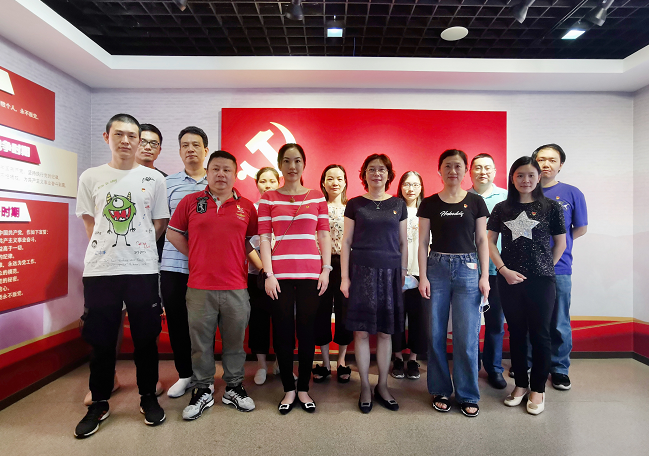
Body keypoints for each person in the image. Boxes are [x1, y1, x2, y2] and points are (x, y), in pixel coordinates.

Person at [74, 114, 170, 438]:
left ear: (139, 140)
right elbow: (90, 223)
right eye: (119, 134)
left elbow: (159, 222)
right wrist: (109, 252)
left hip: (142, 270)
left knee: (146, 338)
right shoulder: (91, 177)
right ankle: (99, 402)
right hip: (101, 271)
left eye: (132, 135)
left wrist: (138, 247)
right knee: (101, 340)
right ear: (107, 137)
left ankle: (147, 397)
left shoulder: (154, 179)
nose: (126, 141)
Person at [167, 150, 258, 420]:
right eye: (216, 169)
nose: (221, 174)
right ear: (207, 173)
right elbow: (172, 233)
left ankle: (233, 387)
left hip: (236, 287)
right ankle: (203, 388)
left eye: (227, 170)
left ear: (235, 174)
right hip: (199, 287)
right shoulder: (190, 201)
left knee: (235, 342)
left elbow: (250, 243)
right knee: (200, 343)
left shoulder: (247, 207)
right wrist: (196, 255)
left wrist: (263, 268)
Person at [487, 156, 566, 415]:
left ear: (539, 177)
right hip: (509, 279)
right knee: (517, 333)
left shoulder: (551, 207)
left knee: (541, 334)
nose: (525, 180)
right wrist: (503, 270)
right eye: (520, 175)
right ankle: (520, 385)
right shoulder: (502, 208)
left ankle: (538, 389)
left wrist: (545, 268)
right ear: (512, 178)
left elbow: (561, 243)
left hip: (542, 281)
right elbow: (489, 242)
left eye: (531, 175)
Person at [258, 143, 331, 415]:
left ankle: (303, 388)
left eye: (297, 160)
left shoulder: (317, 197)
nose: (292, 166)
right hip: (279, 275)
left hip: (311, 273)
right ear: (280, 165)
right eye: (287, 161)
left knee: (307, 331)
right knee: (283, 331)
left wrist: (326, 269)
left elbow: (323, 234)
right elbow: (265, 238)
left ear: (304, 164)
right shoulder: (269, 198)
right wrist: (268, 273)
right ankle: (288, 388)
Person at [418, 149, 490, 418]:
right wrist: (423, 276)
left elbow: (482, 240)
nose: (453, 171)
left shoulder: (476, 201)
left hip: (468, 268)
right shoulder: (429, 203)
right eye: (447, 166)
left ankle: (468, 393)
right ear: (439, 170)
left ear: (465, 170)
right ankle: (439, 390)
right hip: (436, 268)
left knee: (467, 335)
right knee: (435, 333)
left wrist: (484, 275)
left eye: (458, 166)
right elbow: (423, 243)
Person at [341, 154, 408, 414]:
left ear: (388, 174)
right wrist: (345, 277)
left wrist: (403, 271)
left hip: (390, 272)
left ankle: (382, 385)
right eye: (371, 169)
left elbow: (403, 242)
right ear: (364, 174)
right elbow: (346, 242)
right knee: (360, 332)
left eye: (381, 169)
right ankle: (365, 388)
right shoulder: (355, 204)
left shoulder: (398, 204)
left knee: (385, 332)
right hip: (361, 272)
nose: (376, 174)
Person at [532, 144, 587, 391]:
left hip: (560, 268)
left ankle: (559, 369)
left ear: (560, 165)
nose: (546, 164)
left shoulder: (572, 193)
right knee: (531, 319)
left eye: (552, 160)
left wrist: (558, 245)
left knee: (559, 321)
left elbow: (580, 228)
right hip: (528, 268)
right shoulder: (525, 191)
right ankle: (530, 363)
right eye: (541, 159)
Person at [160, 126, 209, 398]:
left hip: (207, 269)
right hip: (172, 265)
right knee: (177, 322)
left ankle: (204, 375)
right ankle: (185, 374)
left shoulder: (217, 182)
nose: (190, 149)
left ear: (206, 150)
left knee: (204, 324)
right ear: (179, 151)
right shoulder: (167, 184)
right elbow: (161, 224)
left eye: (196, 144)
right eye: (185, 145)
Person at [468, 153, 509, 390]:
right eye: (478, 167)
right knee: (470, 323)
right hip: (469, 269)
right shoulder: (462, 197)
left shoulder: (506, 198)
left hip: (498, 269)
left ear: (494, 171)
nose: (482, 172)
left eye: (487, 168)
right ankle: (471, 366)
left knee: (495, 323)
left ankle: (494, 368)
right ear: (470, 171)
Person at [312, 164, 354, 384]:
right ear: (323, 182)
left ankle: (342, 360)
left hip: (346, 265)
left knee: (345, 313)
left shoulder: (352, 208)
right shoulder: (317, 207)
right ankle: (325, 362)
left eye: (339, 178)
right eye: (330, 178)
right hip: (321, 266)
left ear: (345, 182)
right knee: (321, 312)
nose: (335, 183)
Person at [391, 171, 426, 380]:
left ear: (421, 187)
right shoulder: (393, 210)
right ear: (400, 187)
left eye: (415, 184)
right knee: (396, 316)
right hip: (397, 271)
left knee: (418, 318)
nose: (410, 189)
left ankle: (413, 359)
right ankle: (397, 357)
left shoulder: (427, 211)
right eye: (406, 184)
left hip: (421, 272)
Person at [248, 167, 281, 385]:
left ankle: (280, 362)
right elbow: (246, 243)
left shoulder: (284, 208)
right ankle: (261, 365)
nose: (267, 185)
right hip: (257, 273)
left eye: (271, 181)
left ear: (278, 182)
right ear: (257, 183)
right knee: (258, 320)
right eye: (263, 181)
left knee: (282, 319)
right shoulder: (251, 209)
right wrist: (264, 270)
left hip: (282, 272)